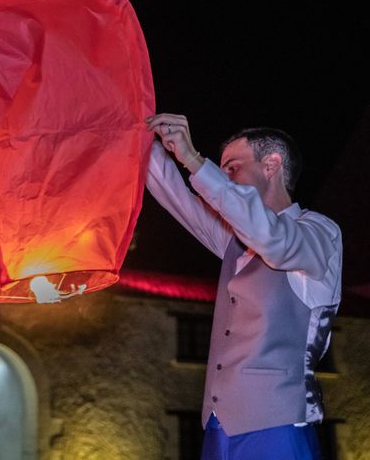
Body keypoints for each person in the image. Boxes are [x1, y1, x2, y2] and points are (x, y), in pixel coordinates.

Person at [145, 113, 342, 459]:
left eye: (232, 168)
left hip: (278, 424)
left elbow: (275, 241)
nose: (221, 180)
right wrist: (137, 136)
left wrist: (194, 160)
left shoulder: (319, 233)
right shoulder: (235, 243)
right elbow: (175, 195)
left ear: (272, 164)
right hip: (218, 428)